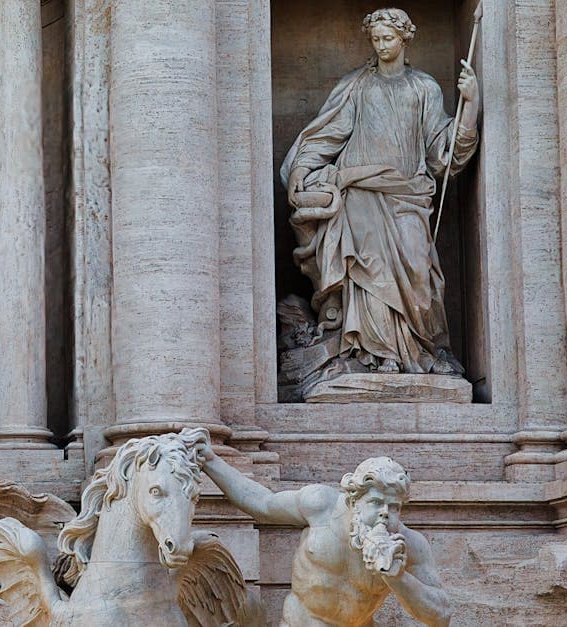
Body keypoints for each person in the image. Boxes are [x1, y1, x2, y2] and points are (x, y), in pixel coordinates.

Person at [281, 7, 480, 376]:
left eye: (389, 38)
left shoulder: (424, 87)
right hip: (360, 193)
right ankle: (373, 353)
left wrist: (470, 107)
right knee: (367, 272)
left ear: (405, 39)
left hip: (408, 195)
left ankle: (420, 349)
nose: (382, 45)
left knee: (419, 272)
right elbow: (327, 134)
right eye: (376, 39)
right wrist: (302, 167)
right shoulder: (357, 85)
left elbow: (443, 152)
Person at [199, 443, 452, 626]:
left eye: (394, 507)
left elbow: (441, 615)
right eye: (375, 503)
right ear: (354, 500)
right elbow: (262, 504)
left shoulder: (410, 545)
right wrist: (210, 460)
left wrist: (397, 578)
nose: (385, 514)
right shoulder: (321, 505)